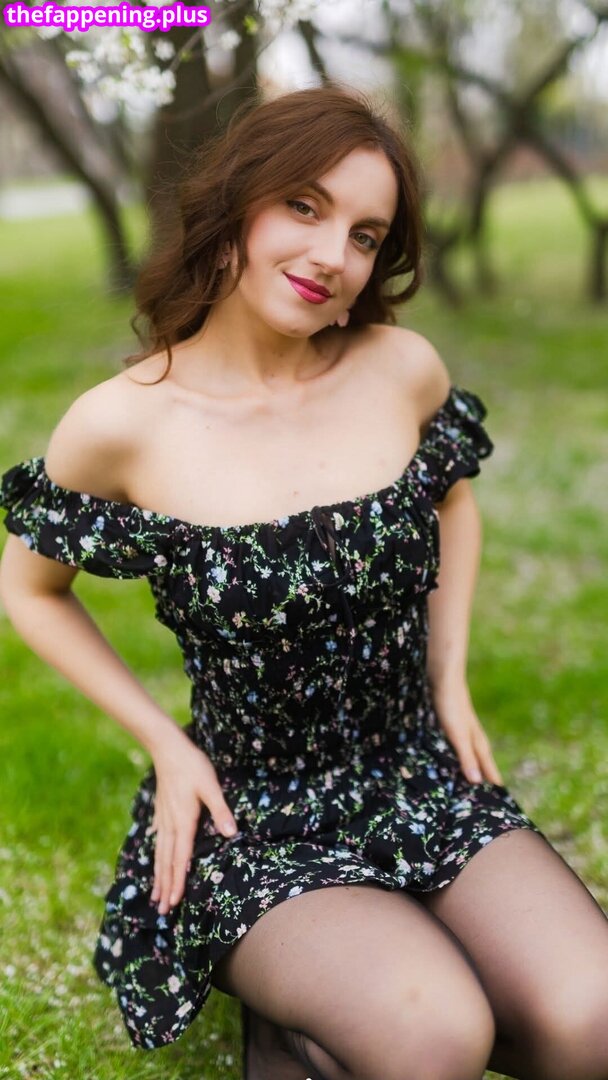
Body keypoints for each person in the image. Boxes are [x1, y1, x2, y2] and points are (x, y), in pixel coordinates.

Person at [1, 83, 607, 1080]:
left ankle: (343, 1003)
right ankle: (296, 1015)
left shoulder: (399, 368)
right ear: (238, 205)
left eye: (365, 235)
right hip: (252, 807)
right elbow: (30, 589)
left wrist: (448, 674)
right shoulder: (123, 423)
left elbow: (451, 498)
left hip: (413, 770)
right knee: (436, 1035)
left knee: (590, 1023)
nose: (333, 255)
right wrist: (164, 745)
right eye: (304, 206)